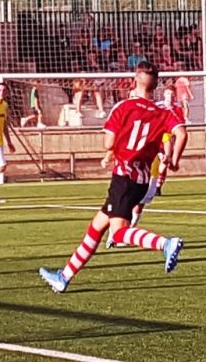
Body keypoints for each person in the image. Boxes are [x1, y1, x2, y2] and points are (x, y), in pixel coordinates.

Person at [38, 62, 188, 293]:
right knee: (97, 227)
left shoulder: (123, 107)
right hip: (141, 179)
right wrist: (174, 161)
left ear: (134, 79)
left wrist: (115, 147)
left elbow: (108, 142)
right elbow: (181, 133)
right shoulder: (162, 112)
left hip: (123, 175)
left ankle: (165, 243)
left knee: (118, 233)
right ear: (155, 84)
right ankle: (64, 276)